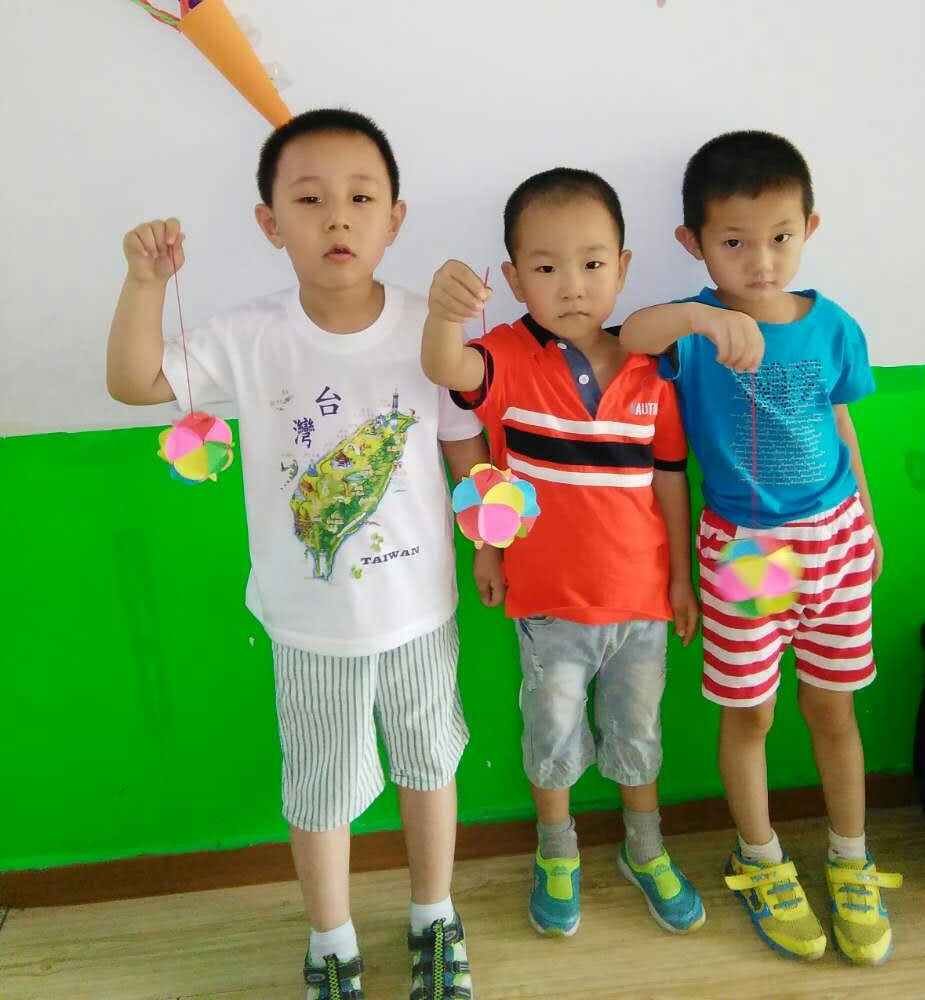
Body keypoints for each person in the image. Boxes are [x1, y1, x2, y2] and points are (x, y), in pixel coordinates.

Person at [107, 108, 487, 1000]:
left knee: (431, 766)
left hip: (420, 610)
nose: (338, 218)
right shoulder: (249, 335)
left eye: (362, 198)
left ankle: (435, 917)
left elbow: (462, 446)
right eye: (310, 200)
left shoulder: (429, 326)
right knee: (320, 789)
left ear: (395, 218)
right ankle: (331, 942)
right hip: (309, 624)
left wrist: (490, 542)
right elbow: (133, 381)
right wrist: (144, 283)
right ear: (270, 223)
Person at [619, 129, 902, 966]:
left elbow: (841, 422)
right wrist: (702, 316)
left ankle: (850, 857)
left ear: (809, 227)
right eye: (735, 243)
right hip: (750, 548)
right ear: (694, 243)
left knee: (833, 709)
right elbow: (632, 335)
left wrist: (869, 521)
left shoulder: (832, 325)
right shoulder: (695, 333)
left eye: (780, 237)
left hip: (837, 540)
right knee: (753, 712)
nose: (761, 261)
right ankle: (762, 857)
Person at [422, 167, 705, 941]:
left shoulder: (654, 369)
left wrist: (681, 579)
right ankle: (557, 851)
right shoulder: (506, 355)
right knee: (550, 739)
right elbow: (447, 371)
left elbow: (671, 481)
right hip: (547, 607)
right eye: (546, 268)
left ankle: (644, 848)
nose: (572, 285)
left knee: (638, 734)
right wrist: (444, 313)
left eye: (592, 263)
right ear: (514, 278)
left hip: (643, 605)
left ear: (624, 267)